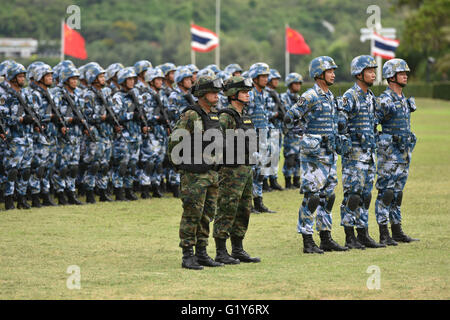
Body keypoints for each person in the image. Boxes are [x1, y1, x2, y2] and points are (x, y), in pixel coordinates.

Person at [285, 56, 348, 253]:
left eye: (333, 71)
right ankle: (307, 240)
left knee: (327, 197)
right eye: (330, 71)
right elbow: (289, 117)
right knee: (312, 197)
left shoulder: (329, 96)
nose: (333, 74)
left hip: (329, 154)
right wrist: (303, 135)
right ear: (319, 74)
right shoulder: (310, 96)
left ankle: (325, 236)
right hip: (314, 156)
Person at [168, 75, 224, 270]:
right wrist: (179, 166)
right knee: (192, 213)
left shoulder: (214, 114)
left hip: (211, 173)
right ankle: (187, 254)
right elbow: (175, 139)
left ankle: (202, 252)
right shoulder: (191, 115)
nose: (216, 96)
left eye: (218, 92)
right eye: (212, 92)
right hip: (193, 174)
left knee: (207, 214)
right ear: (201, 94)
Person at [338, 55, 385, 249]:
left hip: (369, 153)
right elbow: (340, 122)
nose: (373, 74)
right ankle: (350, 236)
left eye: (374, 70)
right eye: (370, 71)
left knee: (366, 195)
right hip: (355, 154)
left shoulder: (371, 96)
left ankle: (363, 233)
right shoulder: (350, 96)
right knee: (353, 195)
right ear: (359, 74)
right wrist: (348, 142)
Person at [213, 76, 261, 264]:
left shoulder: (244, 116)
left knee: (244, 209)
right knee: (227, 207)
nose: (248, 95)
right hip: (230, 170)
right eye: (244, 92)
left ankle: (238, 248)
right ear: (233, 95)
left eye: (248, 92)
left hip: (245, 168)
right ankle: (221, 251)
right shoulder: (226, 116)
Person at [375, 58, 419, 244]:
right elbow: (371, 126)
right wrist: (384, 142)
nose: (405, 76)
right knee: (386, 192)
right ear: (391, 77)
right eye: (401, 73)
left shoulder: (403, 99)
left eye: (405, 73)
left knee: (397, 192)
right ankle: (384, 233)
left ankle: (397, 229)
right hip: (389, 155)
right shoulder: (384, 100)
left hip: (403, 152)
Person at [1, 62, 34, 210]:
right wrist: (20, 119)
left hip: (27, 137)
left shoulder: (25, 93)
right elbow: (4, 117)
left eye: (24, 76)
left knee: (26, 170)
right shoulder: (4, 94)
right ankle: (8, 199)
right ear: (13, 78)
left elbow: (29, 111)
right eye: (20, 76)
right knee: (12, 171)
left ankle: (21, 198)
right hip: (13, 139)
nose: (23, 79)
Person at [247, 62, 276, 213]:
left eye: (266, 76)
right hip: (252, 137)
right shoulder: (250, 95)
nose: (266, 79)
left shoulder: (264, 95)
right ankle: (248, 204)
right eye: (263, 76)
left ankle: (258, 202)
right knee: (251, 172)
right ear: (255, 78)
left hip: (264, 137)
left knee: (260, 172)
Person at [280, 73, 303, 189]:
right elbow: (286, 114)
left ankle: (296, 180)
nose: (298, 85)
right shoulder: (283, 97)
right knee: (290, 158)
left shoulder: (300, 99)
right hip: (289, 133)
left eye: (299, 83)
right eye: (296, 83)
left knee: (299, 158)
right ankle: (288, 181)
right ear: (289, 84)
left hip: (299, 133)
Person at [265, 68, 284, 191]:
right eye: (274, 79)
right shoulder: (265, 93)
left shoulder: (275, 94)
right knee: (267, 155)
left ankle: (273, 179)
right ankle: (264, 181)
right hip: (268, 128)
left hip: (277, 128)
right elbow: (264, 112)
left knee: (275, 155)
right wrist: (275, 115)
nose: (276, 81)